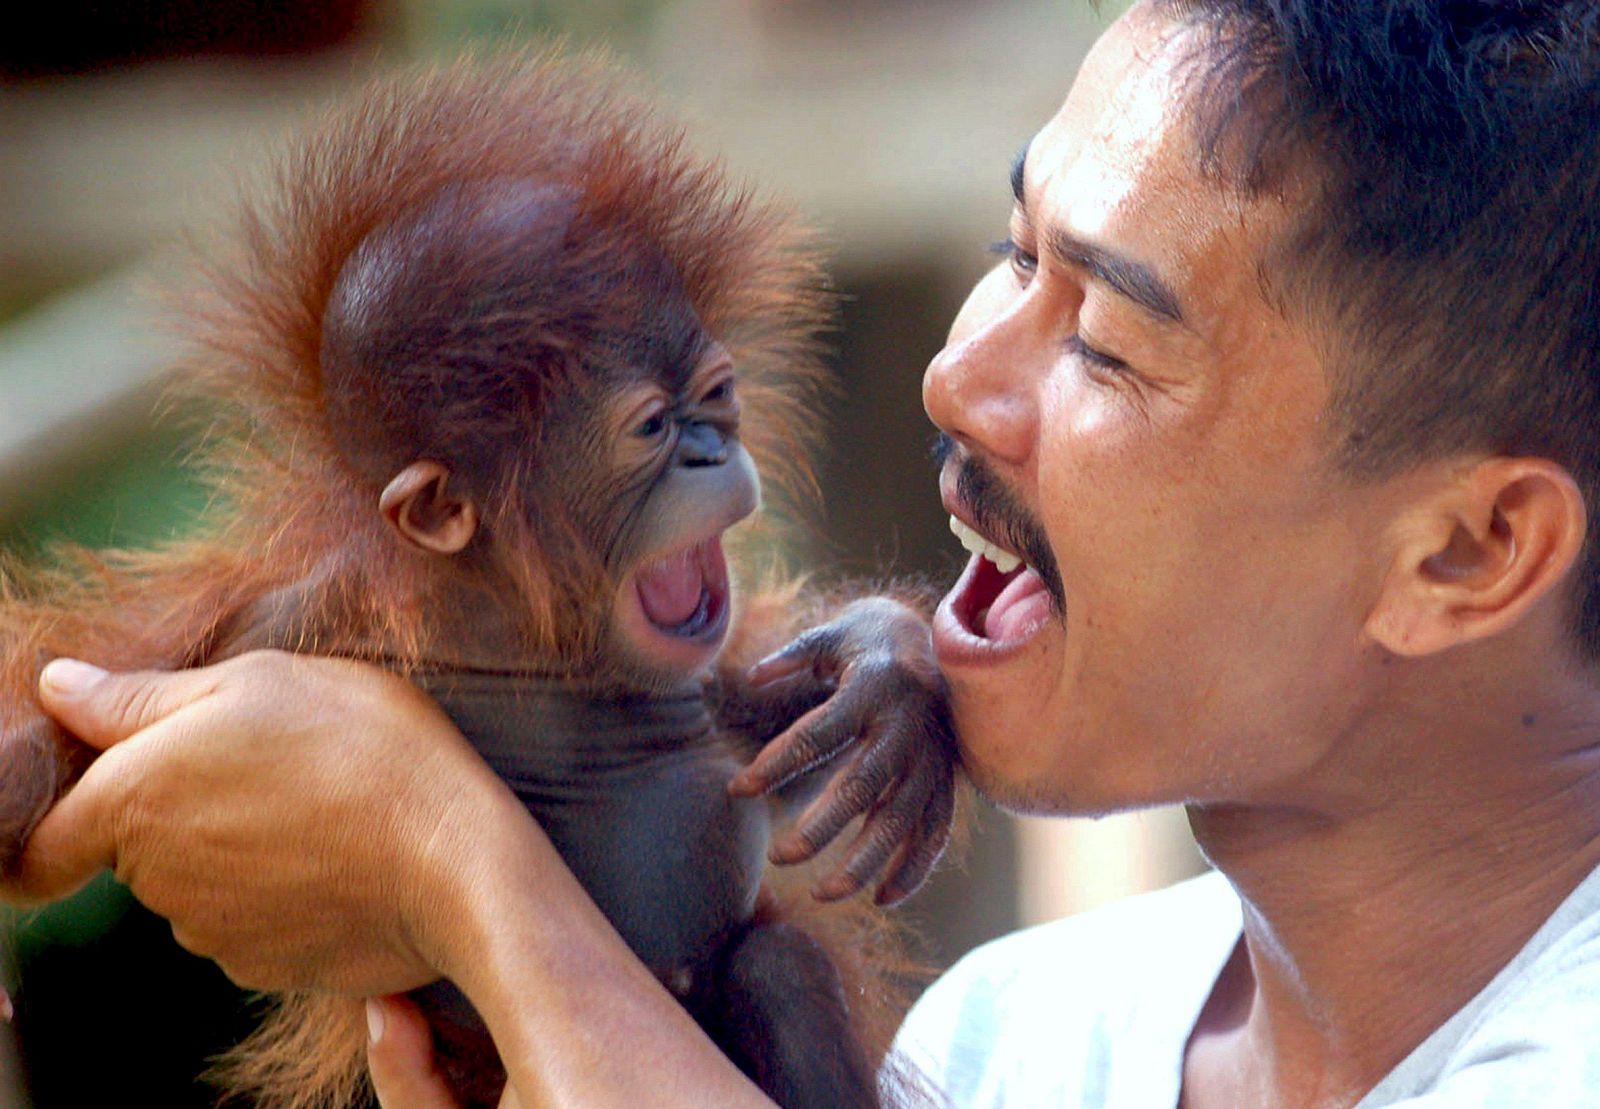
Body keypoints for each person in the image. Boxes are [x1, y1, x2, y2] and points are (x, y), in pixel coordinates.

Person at [10, 0, 1600, 1105]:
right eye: (1010, 252)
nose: (956, 375)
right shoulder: (1018, 1041)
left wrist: (444, 853)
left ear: (1466, 548)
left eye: (1106, 340)